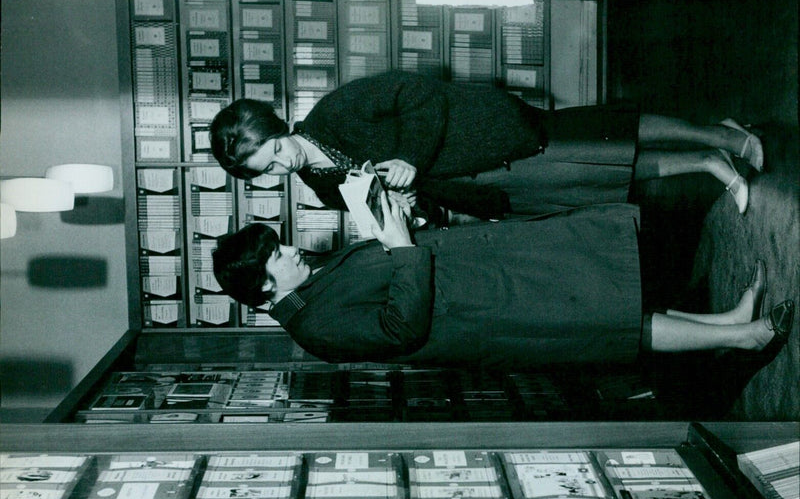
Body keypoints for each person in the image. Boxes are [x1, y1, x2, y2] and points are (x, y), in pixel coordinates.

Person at [212, 197, 793, 370]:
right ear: (265, 291)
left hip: (489, 278)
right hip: (492, 312)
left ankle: (728, 323)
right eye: (275, 256)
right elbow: (399, 329)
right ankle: (743, 339)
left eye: (276, 242)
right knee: (613, 319)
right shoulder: (314, 329)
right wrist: (404, 250)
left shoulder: (311, 286)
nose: (288, 247)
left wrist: (405, 226)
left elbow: (388, 268)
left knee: (612, 293)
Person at [209, 71, 764, 221]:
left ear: (279, 129)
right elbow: (416, 204)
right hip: (489, 185)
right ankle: (710, 164)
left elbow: (423, 94)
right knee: (608, 175)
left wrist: (410, 160)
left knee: (611, 134)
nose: (285, 167)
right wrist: (411, 211)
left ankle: (719, 132)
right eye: (269, 173)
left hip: (492, 132)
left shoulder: (336, 111)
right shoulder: (323, 188)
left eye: (277, 154)